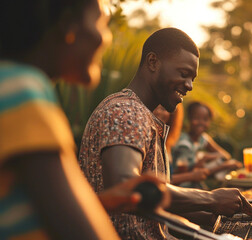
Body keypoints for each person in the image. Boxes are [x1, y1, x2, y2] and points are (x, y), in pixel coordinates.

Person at [0, 0, 160, 239]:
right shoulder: (22, 89)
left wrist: (99, 203)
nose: (106, 38)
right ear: (69, 26)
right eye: (102, 22)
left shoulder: (8, 82)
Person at [78, 28, 252, 240]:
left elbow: (150, 207)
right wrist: (209, 198)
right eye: (183, 74)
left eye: (193, 78)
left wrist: (214, 214)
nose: (189, 85)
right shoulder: (126, 111)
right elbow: (124, 186)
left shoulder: (141, 115)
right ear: (153, 62)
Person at [171, 101, 242, 188]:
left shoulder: (202, 138)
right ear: (189, 119)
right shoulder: (184, 145)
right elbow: (186, 176)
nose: (201, 122)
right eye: (196, 118)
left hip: (196, 184)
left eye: (205, 119)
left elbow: (225, 155)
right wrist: (221, 167)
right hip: (184, 187)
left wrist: (206, 157)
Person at [154, 104, 210, 187]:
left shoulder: (166, 142)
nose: (158, 111)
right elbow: (156, 180)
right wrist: (191, 176)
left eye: (163, 109)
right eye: (156, 107)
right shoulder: (184, 144)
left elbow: (170, 174)